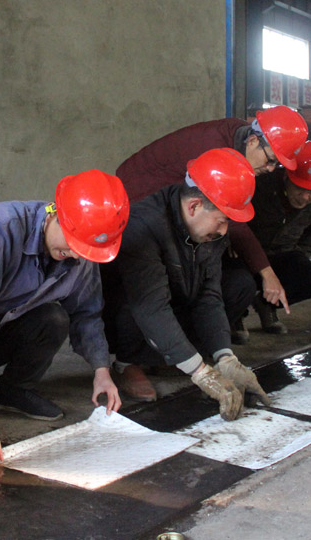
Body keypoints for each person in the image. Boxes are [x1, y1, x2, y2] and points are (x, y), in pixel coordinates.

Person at [0, 169, 128, 466]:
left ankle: (14, 390)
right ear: (56, 214)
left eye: (83, 251)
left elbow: (87, 312)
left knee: (54, 318)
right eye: (73, 245)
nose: (75, 256)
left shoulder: (80, 251)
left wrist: (102, 371)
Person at [114, 106, 309, 342]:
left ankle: (194, 343)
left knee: (225, 282)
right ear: (253, 141)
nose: (270, 170)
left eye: (276, 165)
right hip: (135, 198)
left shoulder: (241, 139)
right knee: (156, 287)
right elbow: (229, 214)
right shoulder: (217, 149)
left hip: (171, 207)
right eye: (270, 161)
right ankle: (149, 350)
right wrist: (267, 273)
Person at [102, 148, 272, 417]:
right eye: (222, 220)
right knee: (134, 308)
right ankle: (126, 364)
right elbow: (151, 307)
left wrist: (225, 357)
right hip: (136, 313)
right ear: (194, 206)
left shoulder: (210, 229)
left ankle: (175, 355)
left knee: (239, 285)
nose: (224, 231)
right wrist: (201, 373)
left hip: (174, 299)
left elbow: (210, 294)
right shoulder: (144, 224)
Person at [245, 141, 311, 334]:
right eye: (300, 188)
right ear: (287, 176)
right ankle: (235, 317)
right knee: (237, 283)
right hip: (247, 255)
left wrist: (299, 254)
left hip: (282, 254)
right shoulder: (260, 186)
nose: (305, 197)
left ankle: (266, 305)